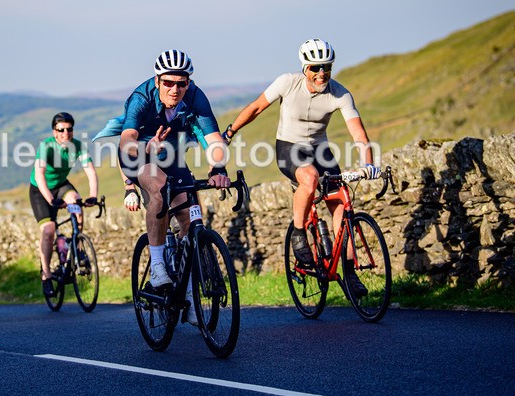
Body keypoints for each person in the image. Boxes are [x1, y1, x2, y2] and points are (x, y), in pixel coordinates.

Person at [223, 38, 381, 295]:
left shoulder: (340, 94)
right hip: (289, 147)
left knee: (341, 204)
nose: (322, 73)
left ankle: (350, 273)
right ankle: (299, 234)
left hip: (320, 149)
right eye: (316, 68)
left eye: (327, 67)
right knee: (309, 177)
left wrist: (368, 163)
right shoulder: (288, 82)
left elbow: (358, 133)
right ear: (305, 68)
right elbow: (256, 108)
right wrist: (230, 133)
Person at [111, 49, 231, 326]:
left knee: (189, 218)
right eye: (168, 82)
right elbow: (126, 140)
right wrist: (146, 147)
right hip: (139, 155)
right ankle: (157, 265)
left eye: (181, 83)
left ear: (188, 83)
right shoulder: (142, 97)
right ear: (157, 81)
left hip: (171, 156)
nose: (175, 89)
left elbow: (213, 138)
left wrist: (218, 168)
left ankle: (188, 294)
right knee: (159, 188)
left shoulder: (196, 96)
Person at [30, 112, 98, 297]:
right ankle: (46, 275)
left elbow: (90, 171)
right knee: (48, 231)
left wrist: (93, 196)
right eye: (61, 130)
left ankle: (77, 249)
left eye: (69, 129)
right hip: (40, 190)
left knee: (76, 203)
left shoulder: (78, 146)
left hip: (61, 185)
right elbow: (39, 175)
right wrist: (51, 200)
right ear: (54, 131)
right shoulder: (46, 146)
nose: (65, 133)